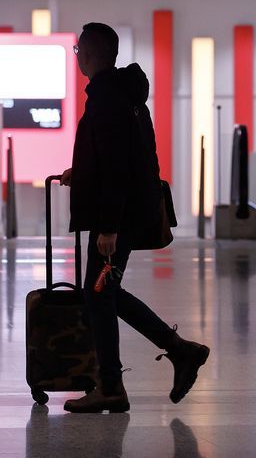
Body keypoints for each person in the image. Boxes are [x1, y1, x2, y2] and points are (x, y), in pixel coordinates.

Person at [60, 22, 210, 414]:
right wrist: (84, 171)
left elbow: (118, 168)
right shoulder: (124, 95)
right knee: (103, 293)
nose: (78, 58)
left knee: (99, 294)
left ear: (87, 54)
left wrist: (108, 226)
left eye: (78, 52)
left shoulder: (107, 98)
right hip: (126, 211)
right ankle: (179, 351)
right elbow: (121, 157)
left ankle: (112, 385)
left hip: (117, 218)